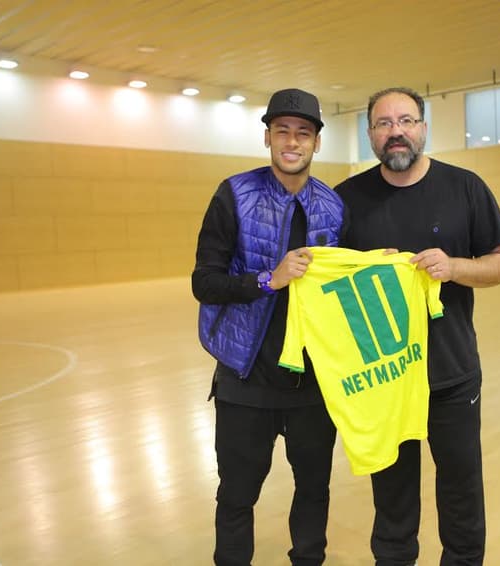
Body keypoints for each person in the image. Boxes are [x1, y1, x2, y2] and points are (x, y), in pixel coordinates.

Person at [334, 86, 500, 566]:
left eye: (406, 121)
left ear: (424, 128)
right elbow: (321, 274)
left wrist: (455, 267)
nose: (396, 132)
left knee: (460, 493)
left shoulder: (465, 187)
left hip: (452, 375)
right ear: (370, 134)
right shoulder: (346, 201)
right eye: (384, 123)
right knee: (391, 500)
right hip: (385, 378)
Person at [192, 88, 344, 566]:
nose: (292, 142)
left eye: (303, 133)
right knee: (237, 495)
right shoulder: (233, 193)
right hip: (245, 379)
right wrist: (268, 279)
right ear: (267, 137)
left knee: (314, 491)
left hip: (312, 382)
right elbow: (205, 282)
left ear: (317, 142)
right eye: (283, 131)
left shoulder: (334, 207)